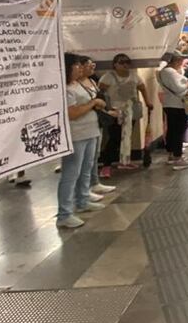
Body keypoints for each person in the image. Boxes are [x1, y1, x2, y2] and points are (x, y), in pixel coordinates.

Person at [57, 53, 109, 229]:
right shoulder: (65, 89)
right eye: (76, 66)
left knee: (87, 168)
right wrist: (93, 103)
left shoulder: (79, 84)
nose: (80, 69)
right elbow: (72, 114)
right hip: (76, 134)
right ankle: (64, 213)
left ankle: (83, 200)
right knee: (71, 173)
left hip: (90, 131)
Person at [98, 53, 154, 175]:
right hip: (114, 112)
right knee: (115, 138)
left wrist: (148, 102)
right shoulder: (108, 77)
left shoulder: (134, 76)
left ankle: (125, 160)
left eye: (127, 62)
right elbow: (100, 93)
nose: (124, 65)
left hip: (131, 110)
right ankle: (106, 165)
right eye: (121, 62)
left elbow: (142, 88)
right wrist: (106, 108)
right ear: (115, 64)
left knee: (127, 136)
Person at [79, 58, 117, 196]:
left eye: (93, 65)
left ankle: (94, 183)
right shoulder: (74, 86)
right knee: (81, 162)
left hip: (95, 123)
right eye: (89, 65)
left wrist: (107, 110)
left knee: (94, 156)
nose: (92, 68)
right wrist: (95, 103)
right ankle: (83, 192)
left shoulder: (92, 81)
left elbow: (100, 100)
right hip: (80, 128)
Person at [159, 51, 188, 170]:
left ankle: (171, 154)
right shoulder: (169, 72)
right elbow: (179, 88)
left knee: (172, 130)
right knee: (178, 130)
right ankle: (177, 157)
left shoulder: (164, 72)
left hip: (169, 103)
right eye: (180, 60)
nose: (181, 62)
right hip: (175, 104)